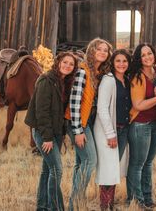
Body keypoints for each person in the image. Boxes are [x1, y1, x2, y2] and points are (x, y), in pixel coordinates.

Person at [25, 52, 78, 211]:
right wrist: (47, 138)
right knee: (57, 170)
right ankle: (55, 208)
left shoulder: (65, 82)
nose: (67, 66)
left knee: (47, 170)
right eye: (65, 62)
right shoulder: (46, 80)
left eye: (71, 64)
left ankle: (42, 207)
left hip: (56, 132)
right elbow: (42, 112)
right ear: (58, 62)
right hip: (44, 132)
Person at [66, 38, 113, 210]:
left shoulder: (98, 73)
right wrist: (78, 130)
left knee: (81, 162)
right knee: (90, 160)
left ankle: (75, 204)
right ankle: (74, 204)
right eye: (98, 49)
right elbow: (75, 102)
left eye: (105, 50)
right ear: (91, 50)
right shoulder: (83, 71)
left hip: (87, 122)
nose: (102, 52)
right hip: (77, 122)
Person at [127, 43, 156, 209]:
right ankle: (137, 200)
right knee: (138, 164)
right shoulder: (138, 76)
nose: (147, 57)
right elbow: (138, 104)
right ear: (139, 58)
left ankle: (148, 197)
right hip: (140, 124)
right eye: (143, 55)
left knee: (148, 162)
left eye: (149, 53)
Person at [94, 49, 132, 210]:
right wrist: (110, 134)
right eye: (118, 61)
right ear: (112, 63)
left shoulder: (127, 80)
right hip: (109, 131)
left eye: (124, 61)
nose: (121, 64)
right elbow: (102, 108)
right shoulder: (108, 80)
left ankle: (110, 204)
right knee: (108, 168)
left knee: (114, 167)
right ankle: (105, 205)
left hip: (123, 129)